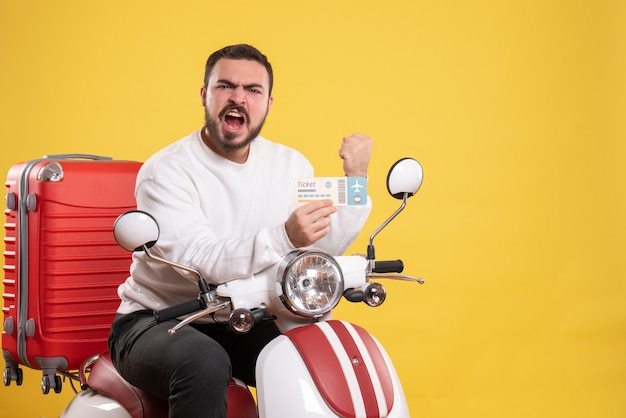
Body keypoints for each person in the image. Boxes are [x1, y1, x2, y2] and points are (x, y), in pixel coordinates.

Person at [108, 43, 373, 418]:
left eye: (252, 90)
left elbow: (320, 247)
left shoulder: (290, 163)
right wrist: (285, 236)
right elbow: (202, 261)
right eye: (225, 86)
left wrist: (356, 179)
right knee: (203, 362)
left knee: (317, 351)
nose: (238, 98)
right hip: (157, 320)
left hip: (243, 317)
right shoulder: (166, 170)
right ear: (204, 95)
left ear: (268, 102)